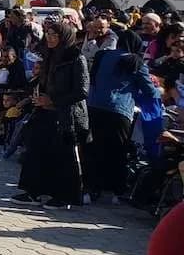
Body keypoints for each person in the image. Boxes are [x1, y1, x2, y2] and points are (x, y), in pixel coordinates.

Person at [11, 20, 90, 210]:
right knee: (36, 150)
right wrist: (38, 97)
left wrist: (53, 101)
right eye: (48, 34)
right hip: (44, 111)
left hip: (65, 113)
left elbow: (82, 91)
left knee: (62, 157)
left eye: (55, 35)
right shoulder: (48, 56)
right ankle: (33, 191)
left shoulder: (75, 57)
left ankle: (63, 196)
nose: (50, 38)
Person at [82, 31, 157, 204]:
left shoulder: (103, 55)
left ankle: (90, 189)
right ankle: (116, 191)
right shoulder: (136, 62)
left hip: (95, 106)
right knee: (117, 151)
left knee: (94, 148)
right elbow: (150, 91)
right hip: (120, 110)